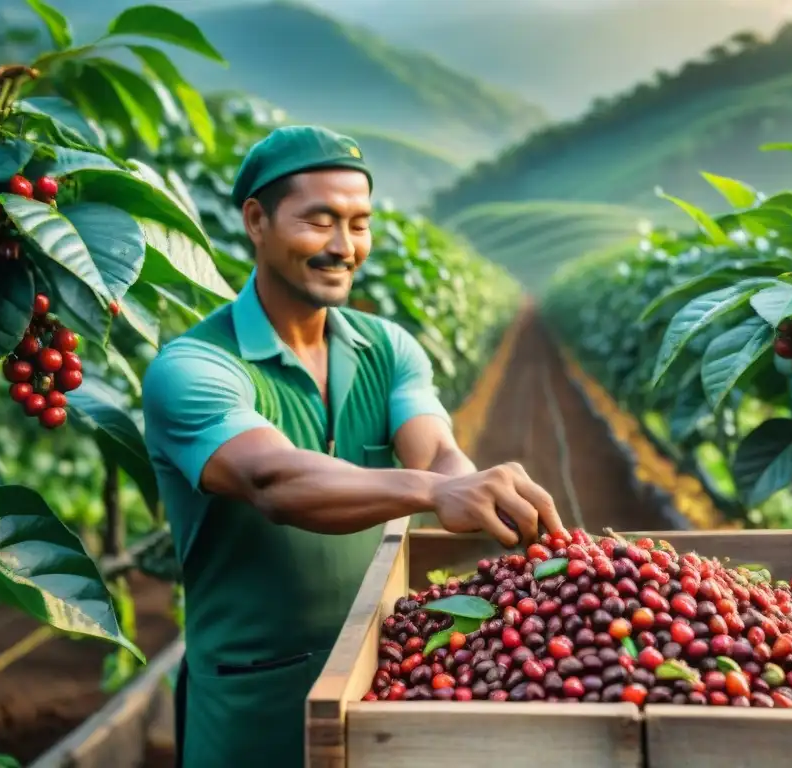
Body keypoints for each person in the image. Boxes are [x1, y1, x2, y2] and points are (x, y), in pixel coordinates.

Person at [141, 125, 566, 768]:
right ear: (256, 221)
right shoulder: (194, 368)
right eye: (320, 221)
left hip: (379, 678)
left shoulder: (387, 349)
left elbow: (438, 451)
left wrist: (469, 485)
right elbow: (273, 481)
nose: (344, 247)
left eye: (359, 223)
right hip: (254, 701)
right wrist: (432, 490)